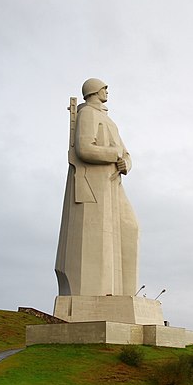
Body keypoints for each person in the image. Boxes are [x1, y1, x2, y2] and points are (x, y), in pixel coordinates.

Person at [55, 78, 139, 297]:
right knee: (98, 240)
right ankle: (101, 294)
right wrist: (114, 154)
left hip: (113, 183)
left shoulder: (108, 120)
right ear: (94, 91)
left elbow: (126, 153)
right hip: (95, 183)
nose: (107, 91)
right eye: (104, 88)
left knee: (130, 227)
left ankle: (126, 294)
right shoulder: (88, 114)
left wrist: (125, 163)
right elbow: (84, 149)